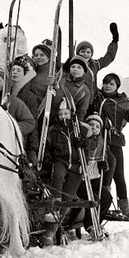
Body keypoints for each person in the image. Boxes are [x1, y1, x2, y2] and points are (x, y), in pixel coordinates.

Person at [90, 72, 129, 219]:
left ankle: (125, 207)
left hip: (114, 140)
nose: (108, 86)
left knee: (119, 174)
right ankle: (104, 204)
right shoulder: (97, 98)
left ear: (117, 86)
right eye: (106, 83)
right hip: (98, 140)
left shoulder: (122, 101)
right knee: (103, 173)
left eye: (111, 84)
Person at [40, 103, 92, 245]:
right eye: (61, 114)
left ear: (71, 114)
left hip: (76, 165)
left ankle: (53, 230)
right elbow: (49, 150)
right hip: (61, 161)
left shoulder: (79, 129)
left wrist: (83, 154)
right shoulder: (54, 131)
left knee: (67, 197)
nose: (63, 117)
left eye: (66, 114)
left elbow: (88, 148)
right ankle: (54, 211)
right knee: (57, 176)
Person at [75, 22, 119, 104]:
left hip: (92, 101)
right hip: (79, 102)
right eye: (82, 51)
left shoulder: (95, 64)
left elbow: (109, 57)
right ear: (78, 53)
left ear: (91, 54)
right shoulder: (73, 66)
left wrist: (115, 40)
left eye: (88, 52)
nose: (85, 54)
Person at [0, 69, 35, 137]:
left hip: (11, 140)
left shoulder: (14, 101)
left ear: (6, 83)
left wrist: (11, 128)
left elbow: (29, 122)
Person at [48, 55, 91, 124]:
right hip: (48, 115)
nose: (75, 69)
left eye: (79, 67)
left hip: (64, 121)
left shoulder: (85, 92)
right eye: (73, 66)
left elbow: (81, 112)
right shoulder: (60, 78)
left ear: (84, 71)